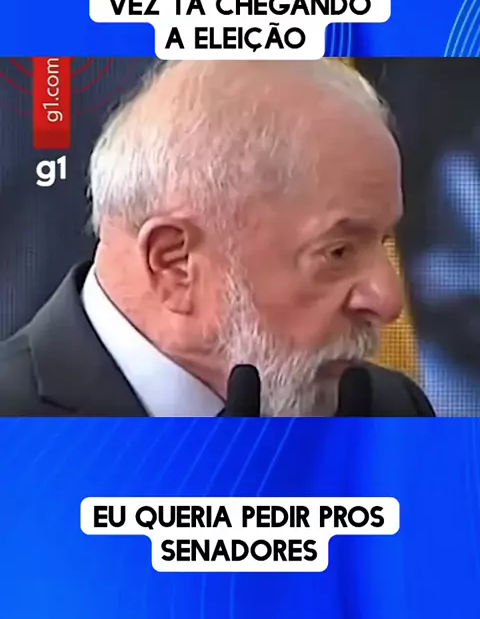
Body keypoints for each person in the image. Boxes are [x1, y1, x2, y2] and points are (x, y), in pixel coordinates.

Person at [0, 59, 435, 417]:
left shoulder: (389, 409)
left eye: (383, 241)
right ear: (174, 262)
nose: (389, 300)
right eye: (338, 252)